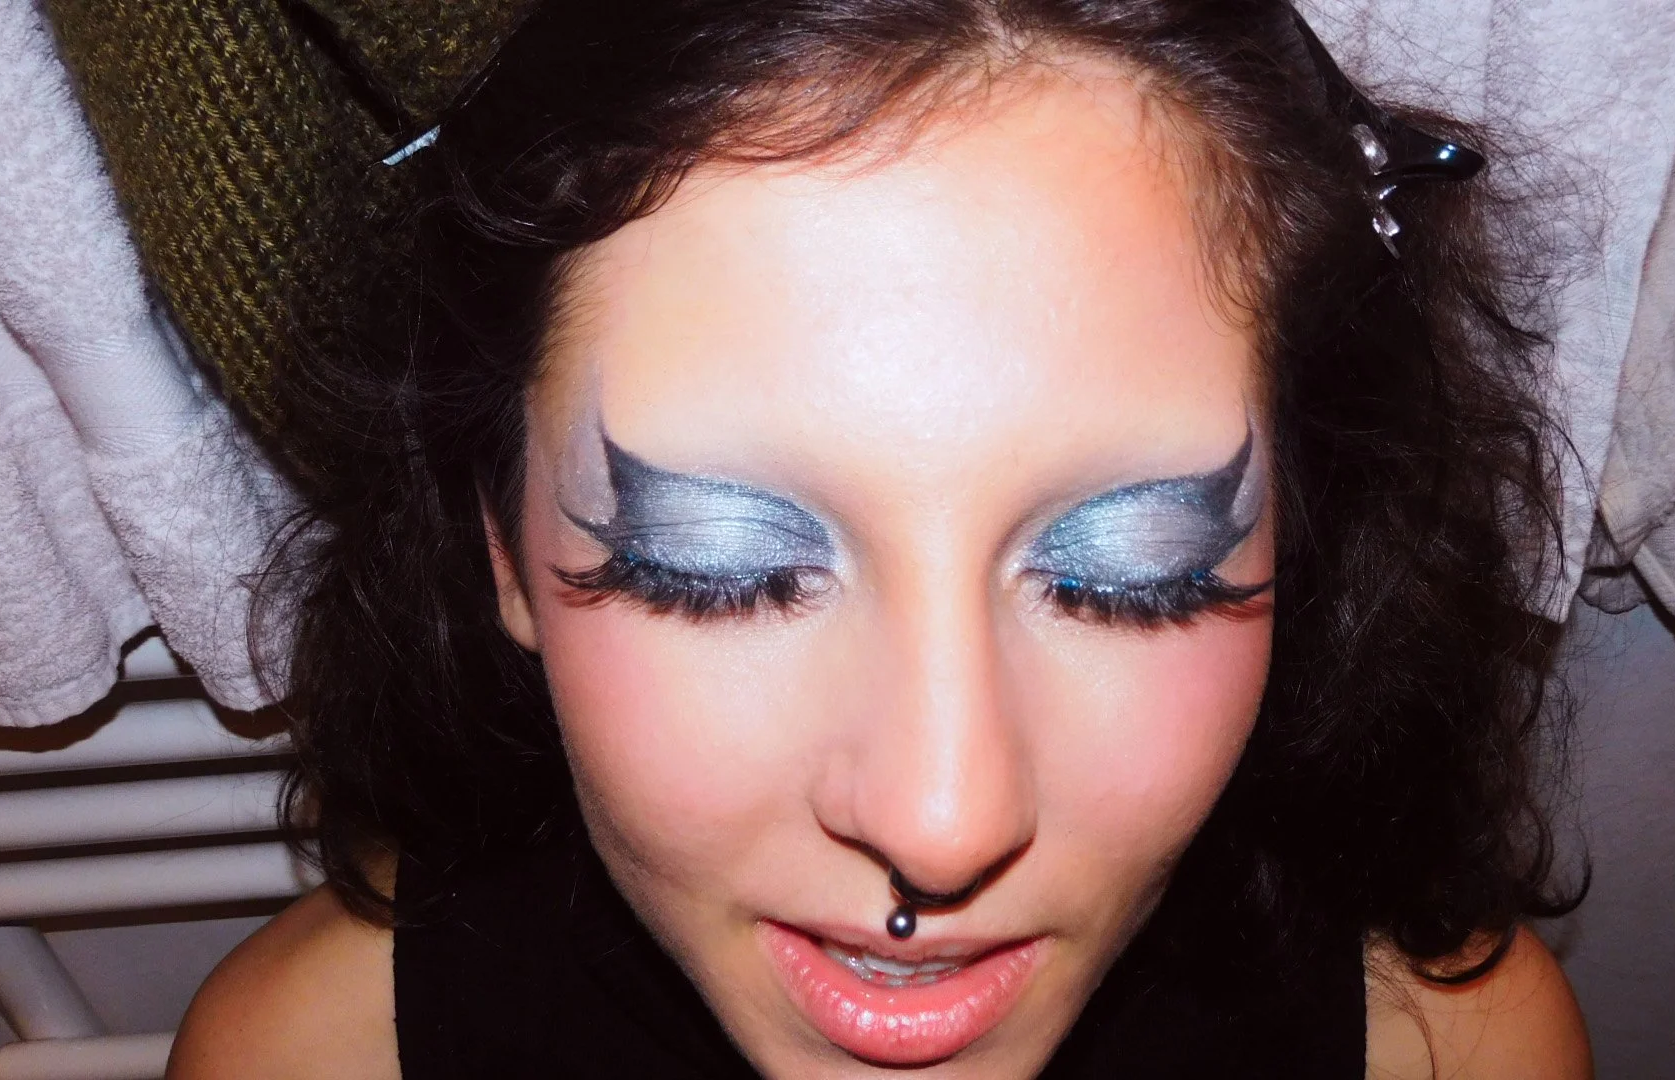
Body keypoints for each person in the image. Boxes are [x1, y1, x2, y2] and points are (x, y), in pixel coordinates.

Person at [167, 1, 1591, 1076]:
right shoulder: (305, 1058)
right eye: (719, 573)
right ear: (497, 545)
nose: (941, 818)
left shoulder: (1446, 1048)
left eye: (1125, 583)